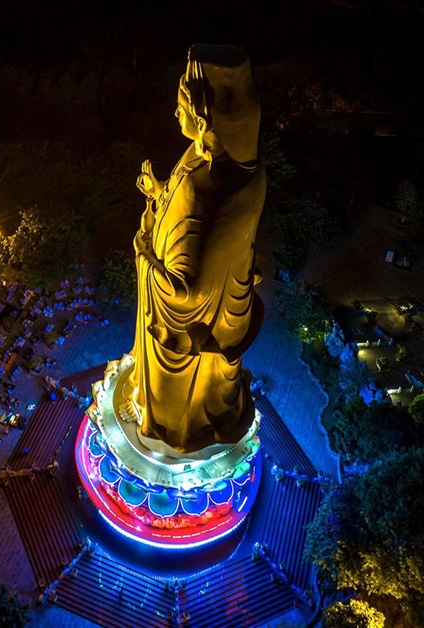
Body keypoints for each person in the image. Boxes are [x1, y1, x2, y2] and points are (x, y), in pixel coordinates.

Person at [129, 44, 266, 454]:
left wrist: (143, 253)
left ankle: (177, 433)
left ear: (203, 118)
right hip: (224, 317)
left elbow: (188, 293)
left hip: (193, 334)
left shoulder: (205, 187)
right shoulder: (239, 170)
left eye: (180, 108)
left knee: (179, 411)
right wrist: (158, 193)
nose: (175, 114)